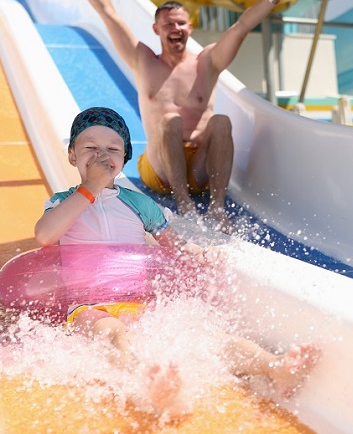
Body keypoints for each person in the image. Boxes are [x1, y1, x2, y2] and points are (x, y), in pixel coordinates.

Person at [34, 107, 320, 420]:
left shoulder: (138, 203)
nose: (102, 154)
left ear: (123, 159)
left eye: (112, 149)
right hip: (89, 307)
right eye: (91, 147)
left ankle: (273, 367)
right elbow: (46, 235)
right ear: (73, 156)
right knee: (114, 334)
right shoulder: (63, 202)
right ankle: (151, 382)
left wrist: (199, 253)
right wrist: (91, 187)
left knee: (207, 335)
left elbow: (176, 246)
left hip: (140, 302)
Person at [52, 0, 309, 231]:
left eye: (181, 23)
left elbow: (241, 26)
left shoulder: (208, 62)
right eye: (168, 24)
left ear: (190, 27)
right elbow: (108, 13)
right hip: (159, 171)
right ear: (156, 29)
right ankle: (184, 203)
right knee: (170, 120)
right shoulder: (142, 60)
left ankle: (217, 206)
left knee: (221, 122)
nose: (176, 28)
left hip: (200, 170)